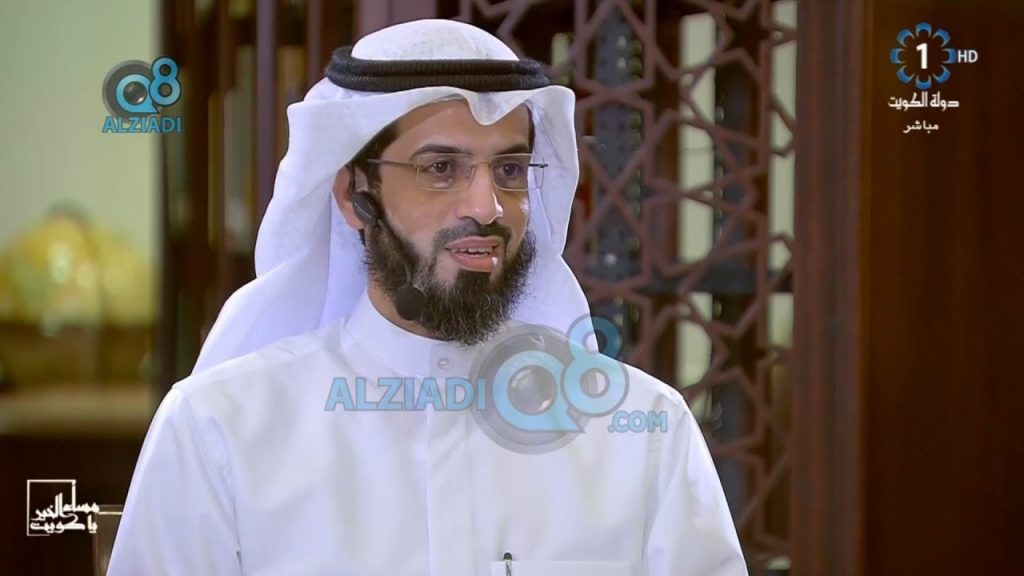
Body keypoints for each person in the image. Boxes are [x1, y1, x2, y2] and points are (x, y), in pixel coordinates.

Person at [108, 19, 746, 576]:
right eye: (441, 169)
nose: (487, 207)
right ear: (354, 196)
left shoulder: (642, 432)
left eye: (509, 170)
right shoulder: (218, 430)